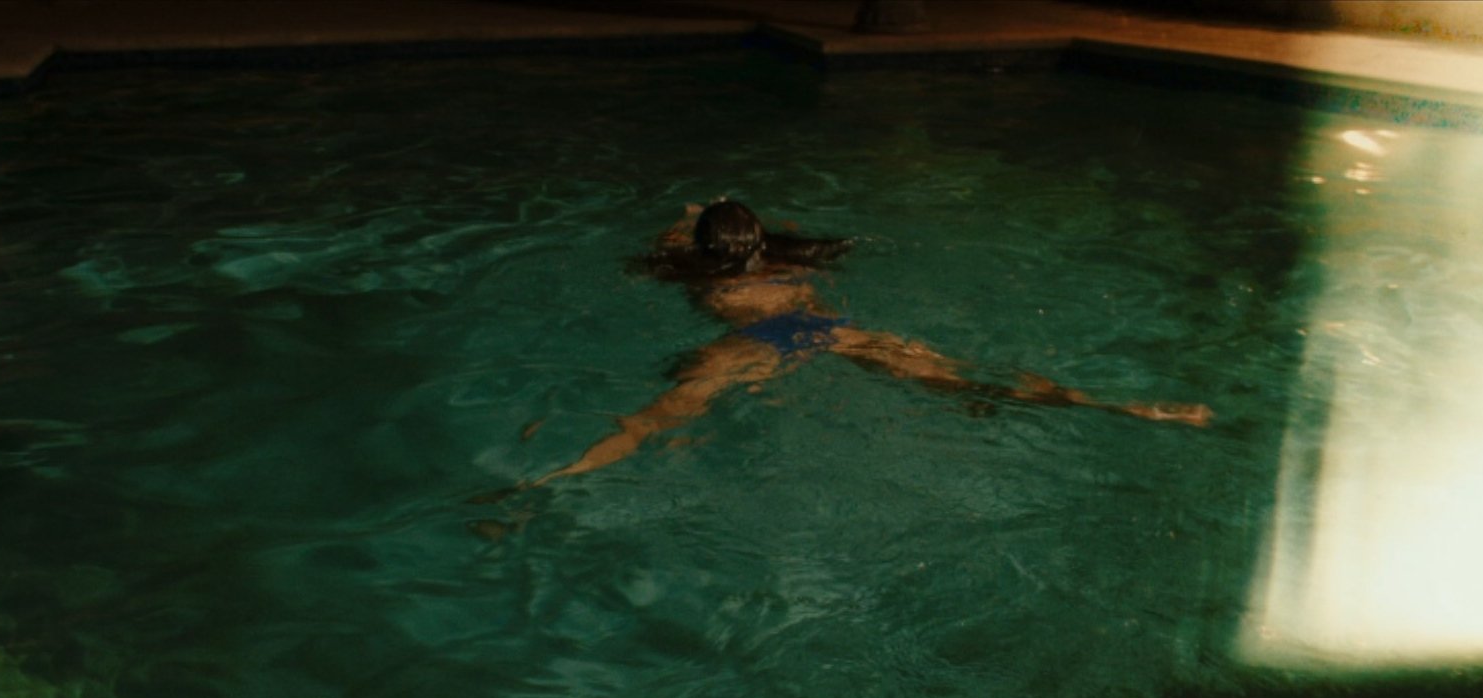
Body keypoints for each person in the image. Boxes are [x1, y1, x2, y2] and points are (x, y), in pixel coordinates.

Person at [510, 199, 1212, 491]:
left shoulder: (690, 267)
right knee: (969, 377)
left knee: (661, 415)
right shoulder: (787, 257)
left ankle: (548, 481)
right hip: (826, 330)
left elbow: (658, 248)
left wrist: (688, 218)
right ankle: (1118, 407)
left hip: (758, 343)